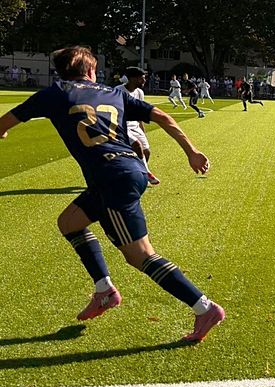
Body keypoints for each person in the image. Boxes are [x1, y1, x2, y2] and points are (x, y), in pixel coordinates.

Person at [0, 46, 225, 342]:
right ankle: (104, 290)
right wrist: (192, 152)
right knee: (69, 222)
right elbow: (163, 118)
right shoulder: (113, 93)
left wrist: (3, 131)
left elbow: (3, 125)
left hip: (112, 179)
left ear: (61, 72)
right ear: (92, 71)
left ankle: (204, 307)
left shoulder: (55, 93)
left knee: (140, 256)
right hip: (125, 173)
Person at [117, 67, 160, 186]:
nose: (145, 80)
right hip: (121, 126)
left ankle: (137, 176)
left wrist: (142, 130)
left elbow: (139, 112)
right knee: (137, 145)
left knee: (146, 152)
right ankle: (147, 174)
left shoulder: (139, 92)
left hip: (135, 125)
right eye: (142, 77)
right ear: (133, 78)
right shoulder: (118, 91)